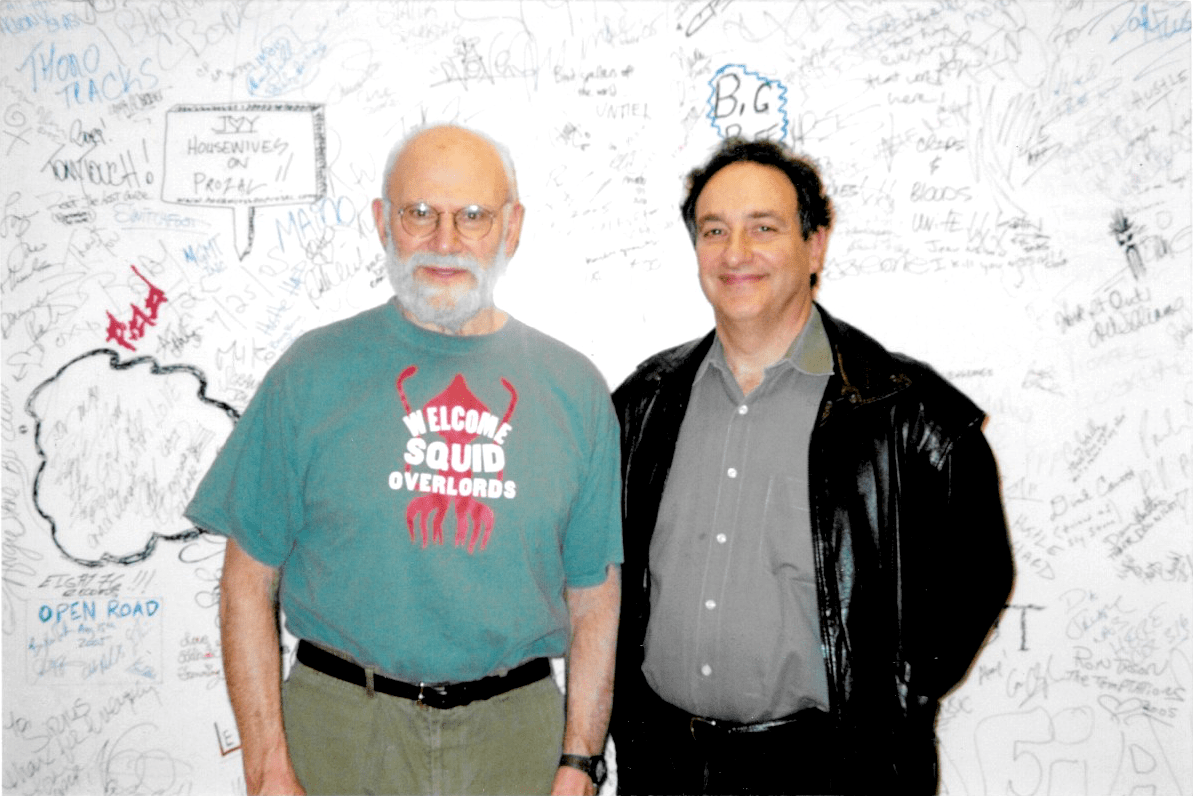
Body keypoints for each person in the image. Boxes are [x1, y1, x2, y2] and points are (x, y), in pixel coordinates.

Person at [186, 123, 622, 796]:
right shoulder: (311, 372)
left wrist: (580, 760)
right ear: (382, 223)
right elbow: (247, 580)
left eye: (472, 216)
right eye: (419, 213)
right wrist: (266, 762)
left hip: (516, 737)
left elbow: (594, 597)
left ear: (511, 229)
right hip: (339, 730)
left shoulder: (574, 389)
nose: (444, 241)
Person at [609, 137, 1013, 795]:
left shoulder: (910, 416)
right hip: (663, 764)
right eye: (715, 231)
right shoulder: (642, 406)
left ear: (815, 244)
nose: (735, 253)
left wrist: (895, 694)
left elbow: (979, 579)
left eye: (762, 228)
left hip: (830, 770)